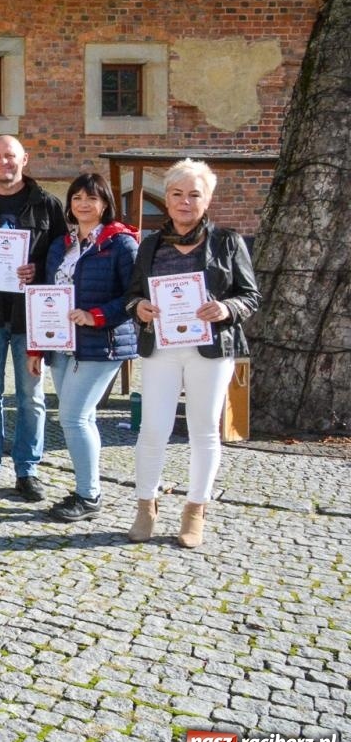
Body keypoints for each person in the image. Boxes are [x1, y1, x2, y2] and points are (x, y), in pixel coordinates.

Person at [123, 159, 259, 548]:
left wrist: (227, 309)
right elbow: (132, 295)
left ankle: (194, 509)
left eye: (194, 195)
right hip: (161, 348)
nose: (185, 202)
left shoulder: (228, 242)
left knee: (203, 432)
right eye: (177, 194)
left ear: (208, 199)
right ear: (166, 200)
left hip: (211, 349)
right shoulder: (150, 245)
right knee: (152, 429)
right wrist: (140, 308)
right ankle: (145, 505)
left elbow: (250, 296)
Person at [0, 135, 68, 502]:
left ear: (25, 159)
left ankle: (28, 470)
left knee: (32, 396)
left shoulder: (49, 206)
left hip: (32, 317)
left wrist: (38, 270)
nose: (4, 162)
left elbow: (63, 259)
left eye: (10, 156)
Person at [26, 173, 139, 523]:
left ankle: (89, 496)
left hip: (102, 343)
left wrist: (97, 316)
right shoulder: (61, 244)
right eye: (76, 198)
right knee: (81, 418)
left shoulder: (121, 243)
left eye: (91, 198)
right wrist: (37, 348)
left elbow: (135, 294)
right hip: (61, 344)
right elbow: (46, 294)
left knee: (73, 417)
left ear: (105, 203)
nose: (83, 204)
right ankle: (85, 490)